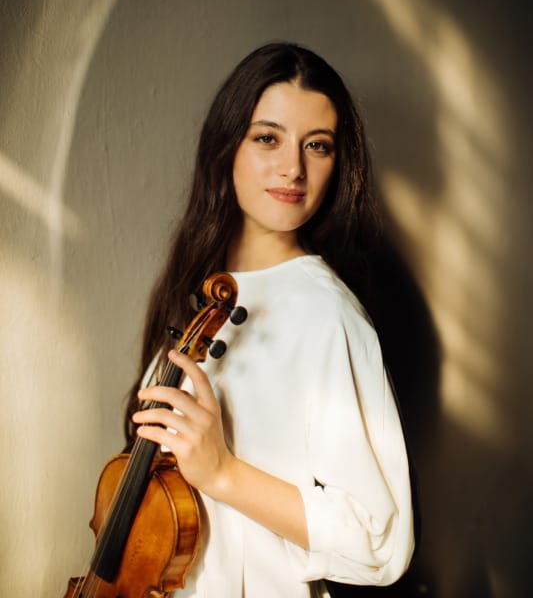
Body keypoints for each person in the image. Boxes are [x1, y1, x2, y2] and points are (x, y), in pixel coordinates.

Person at [125, 42, 415, 597]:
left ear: (338, 163)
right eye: (267, 138)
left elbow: (382, 541)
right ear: (226, 146)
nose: (293, 168)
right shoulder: (196, 291)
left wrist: (222, 473)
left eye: (318, 146)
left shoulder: (327, 315)